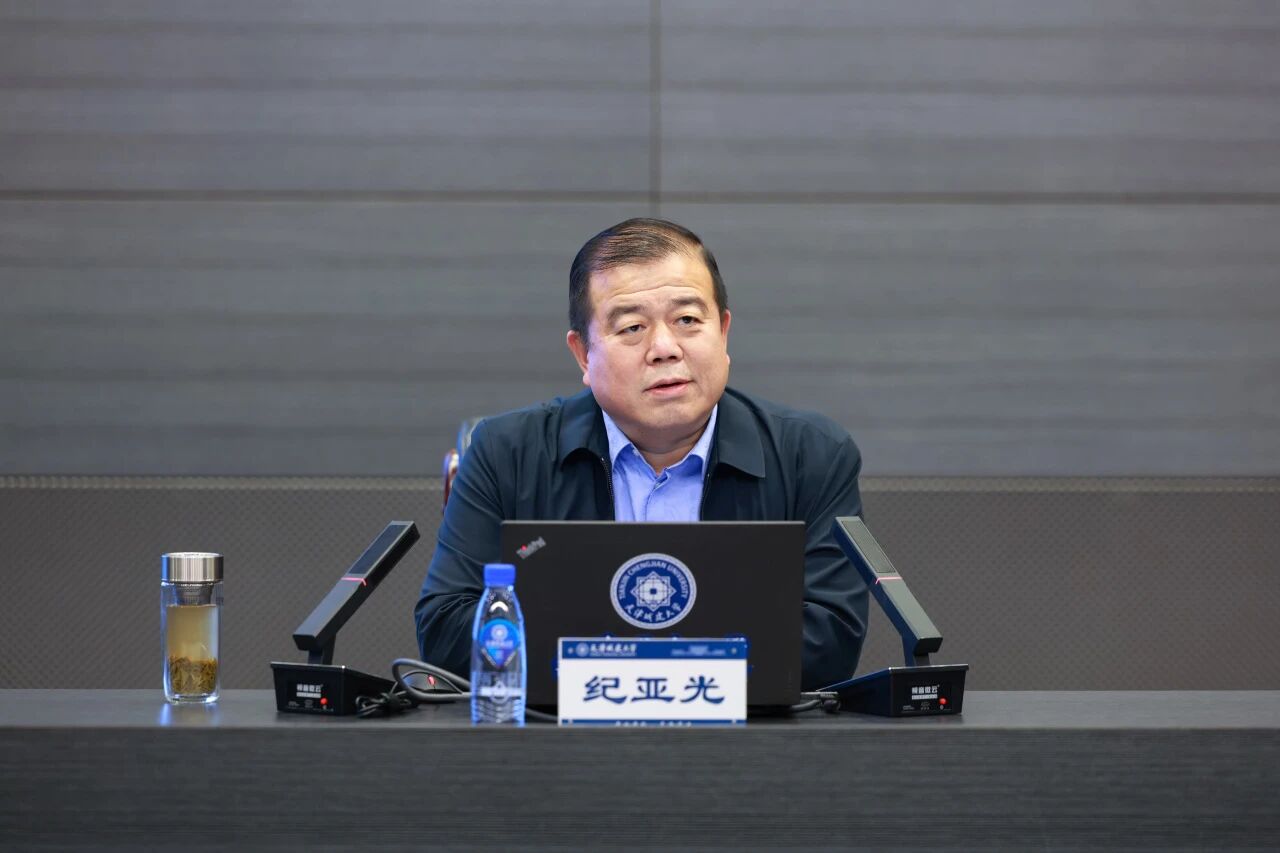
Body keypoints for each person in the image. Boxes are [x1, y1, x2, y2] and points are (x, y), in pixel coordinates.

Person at [414, 218, 867, 690]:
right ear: (583, 355)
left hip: (746, 734)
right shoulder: (505, 453)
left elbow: (829, 642)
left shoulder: (811, 456)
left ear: (724, 332)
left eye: (688, 320)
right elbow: (446, 632)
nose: (665, 349)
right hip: (559, 732)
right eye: (632, 327)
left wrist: (611, 656)